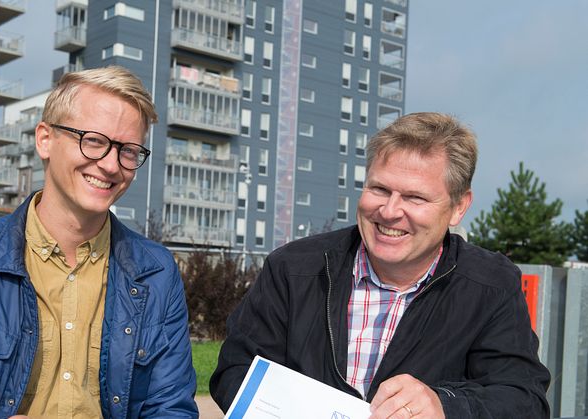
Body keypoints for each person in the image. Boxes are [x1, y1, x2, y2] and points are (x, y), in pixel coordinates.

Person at [0, 66, 198, 418]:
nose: (111, 165)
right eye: (94, 141)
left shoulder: (156, 272)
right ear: (45, 140)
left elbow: (170, 407)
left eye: (128, 150)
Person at [210, 112, 550, 418]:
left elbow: (524, 399)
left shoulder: (491, 285)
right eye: (379, 189)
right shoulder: (293, 268)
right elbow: (235, 371)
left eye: (415, 197)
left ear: (459, 206)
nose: (389, 211)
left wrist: (446, 406)